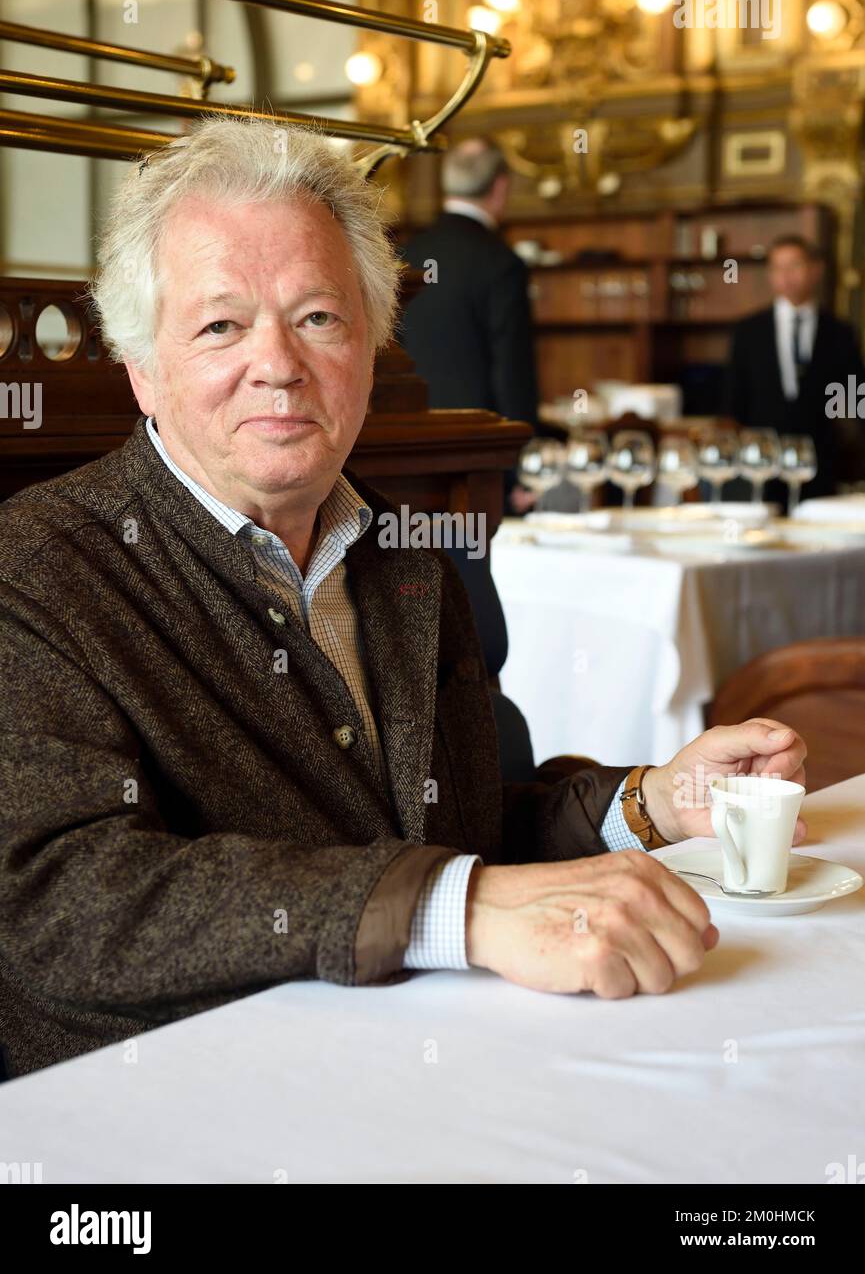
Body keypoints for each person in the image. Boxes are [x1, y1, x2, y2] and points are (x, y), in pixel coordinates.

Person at [0, 118, 807, 1078]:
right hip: (178, 1108)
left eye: (318, 318)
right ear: (142, 369)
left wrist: (650, 803)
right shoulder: (37, 568)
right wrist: (453, 909)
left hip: (434, 1065)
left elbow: (449, 832)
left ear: (370, 349)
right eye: (220, 325)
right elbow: (59, 902)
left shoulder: (405, 552)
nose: (278, 365)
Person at [398, 137, 539, 513]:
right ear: (501, 186)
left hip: (402, 454)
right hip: (479, 461)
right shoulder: (500, 263)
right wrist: (520, 473)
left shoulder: (404, 255)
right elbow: (513, 376)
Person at [725, 234, 864, 500]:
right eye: (778, 268)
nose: (786, 276)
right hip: (762, 462)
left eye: (795, 266)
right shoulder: (748, 331)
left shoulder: (840, 333)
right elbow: (733, 402)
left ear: (816, 270)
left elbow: (855, 400)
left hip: (822, 464)